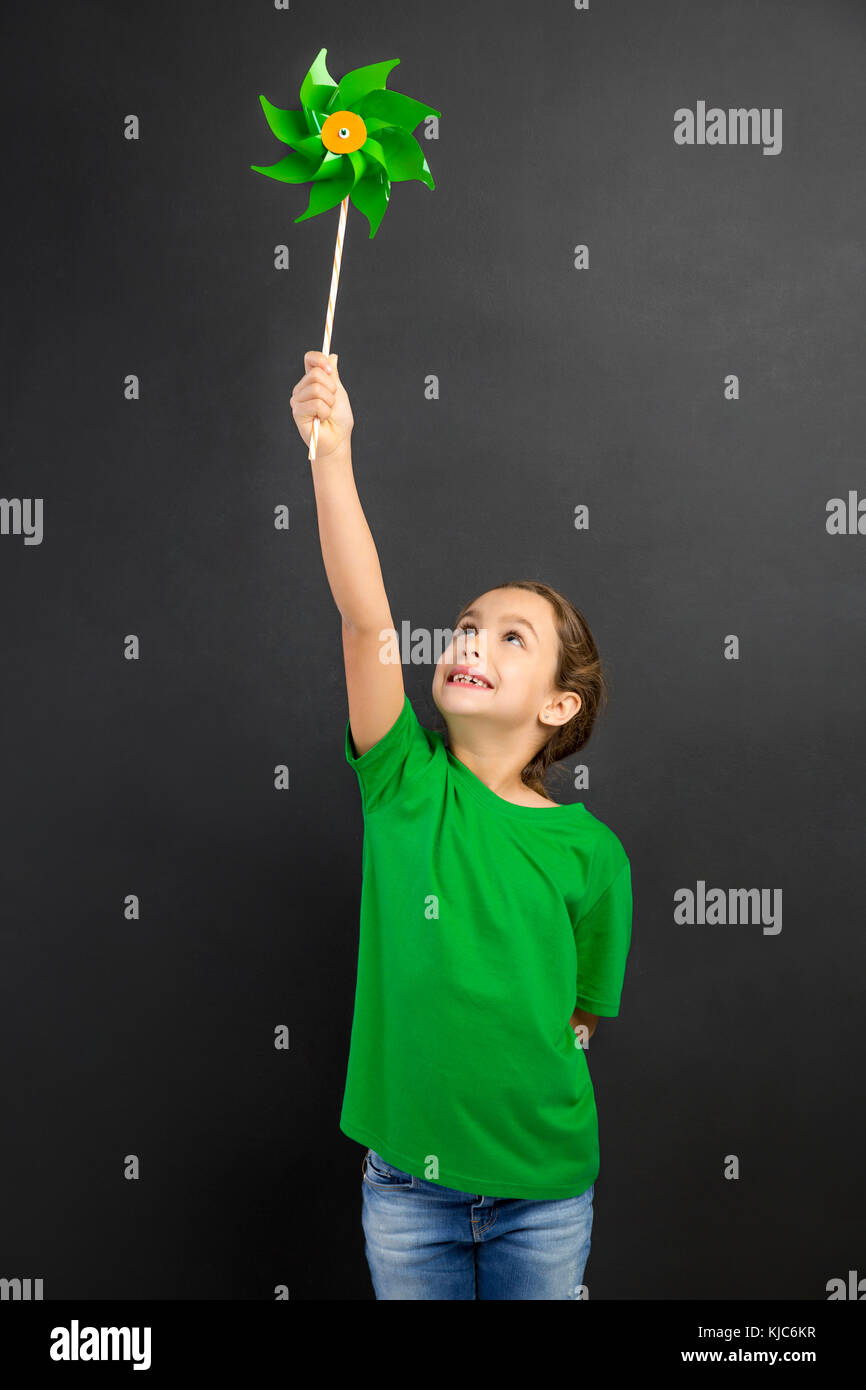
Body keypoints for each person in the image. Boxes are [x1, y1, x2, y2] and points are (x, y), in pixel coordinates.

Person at [290, 350, 633, 1300]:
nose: (470, 638)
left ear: (559, 708)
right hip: (407, 1194)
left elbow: (579, 1019)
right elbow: (366, 622)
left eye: (509, 636)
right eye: (466, 624)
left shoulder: (592, 855)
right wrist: (332, 454)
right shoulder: (404, 783)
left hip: (547, 1199)